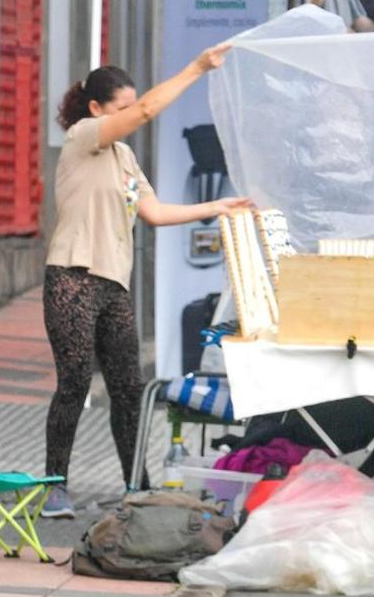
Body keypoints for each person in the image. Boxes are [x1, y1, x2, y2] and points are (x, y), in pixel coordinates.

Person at [38, 50, 250, 518]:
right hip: (72, 278)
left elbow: (153, 212)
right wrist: (195, 68)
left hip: (114, 285)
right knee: (74, 383)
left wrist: (218, 207)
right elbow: (150, 110)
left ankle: (137, 484)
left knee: (128, 388)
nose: (132, 116)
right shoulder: (82, 137)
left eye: (132, 108)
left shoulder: (125, 156)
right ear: (96, 108)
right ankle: (55, 487)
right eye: (122, 109)